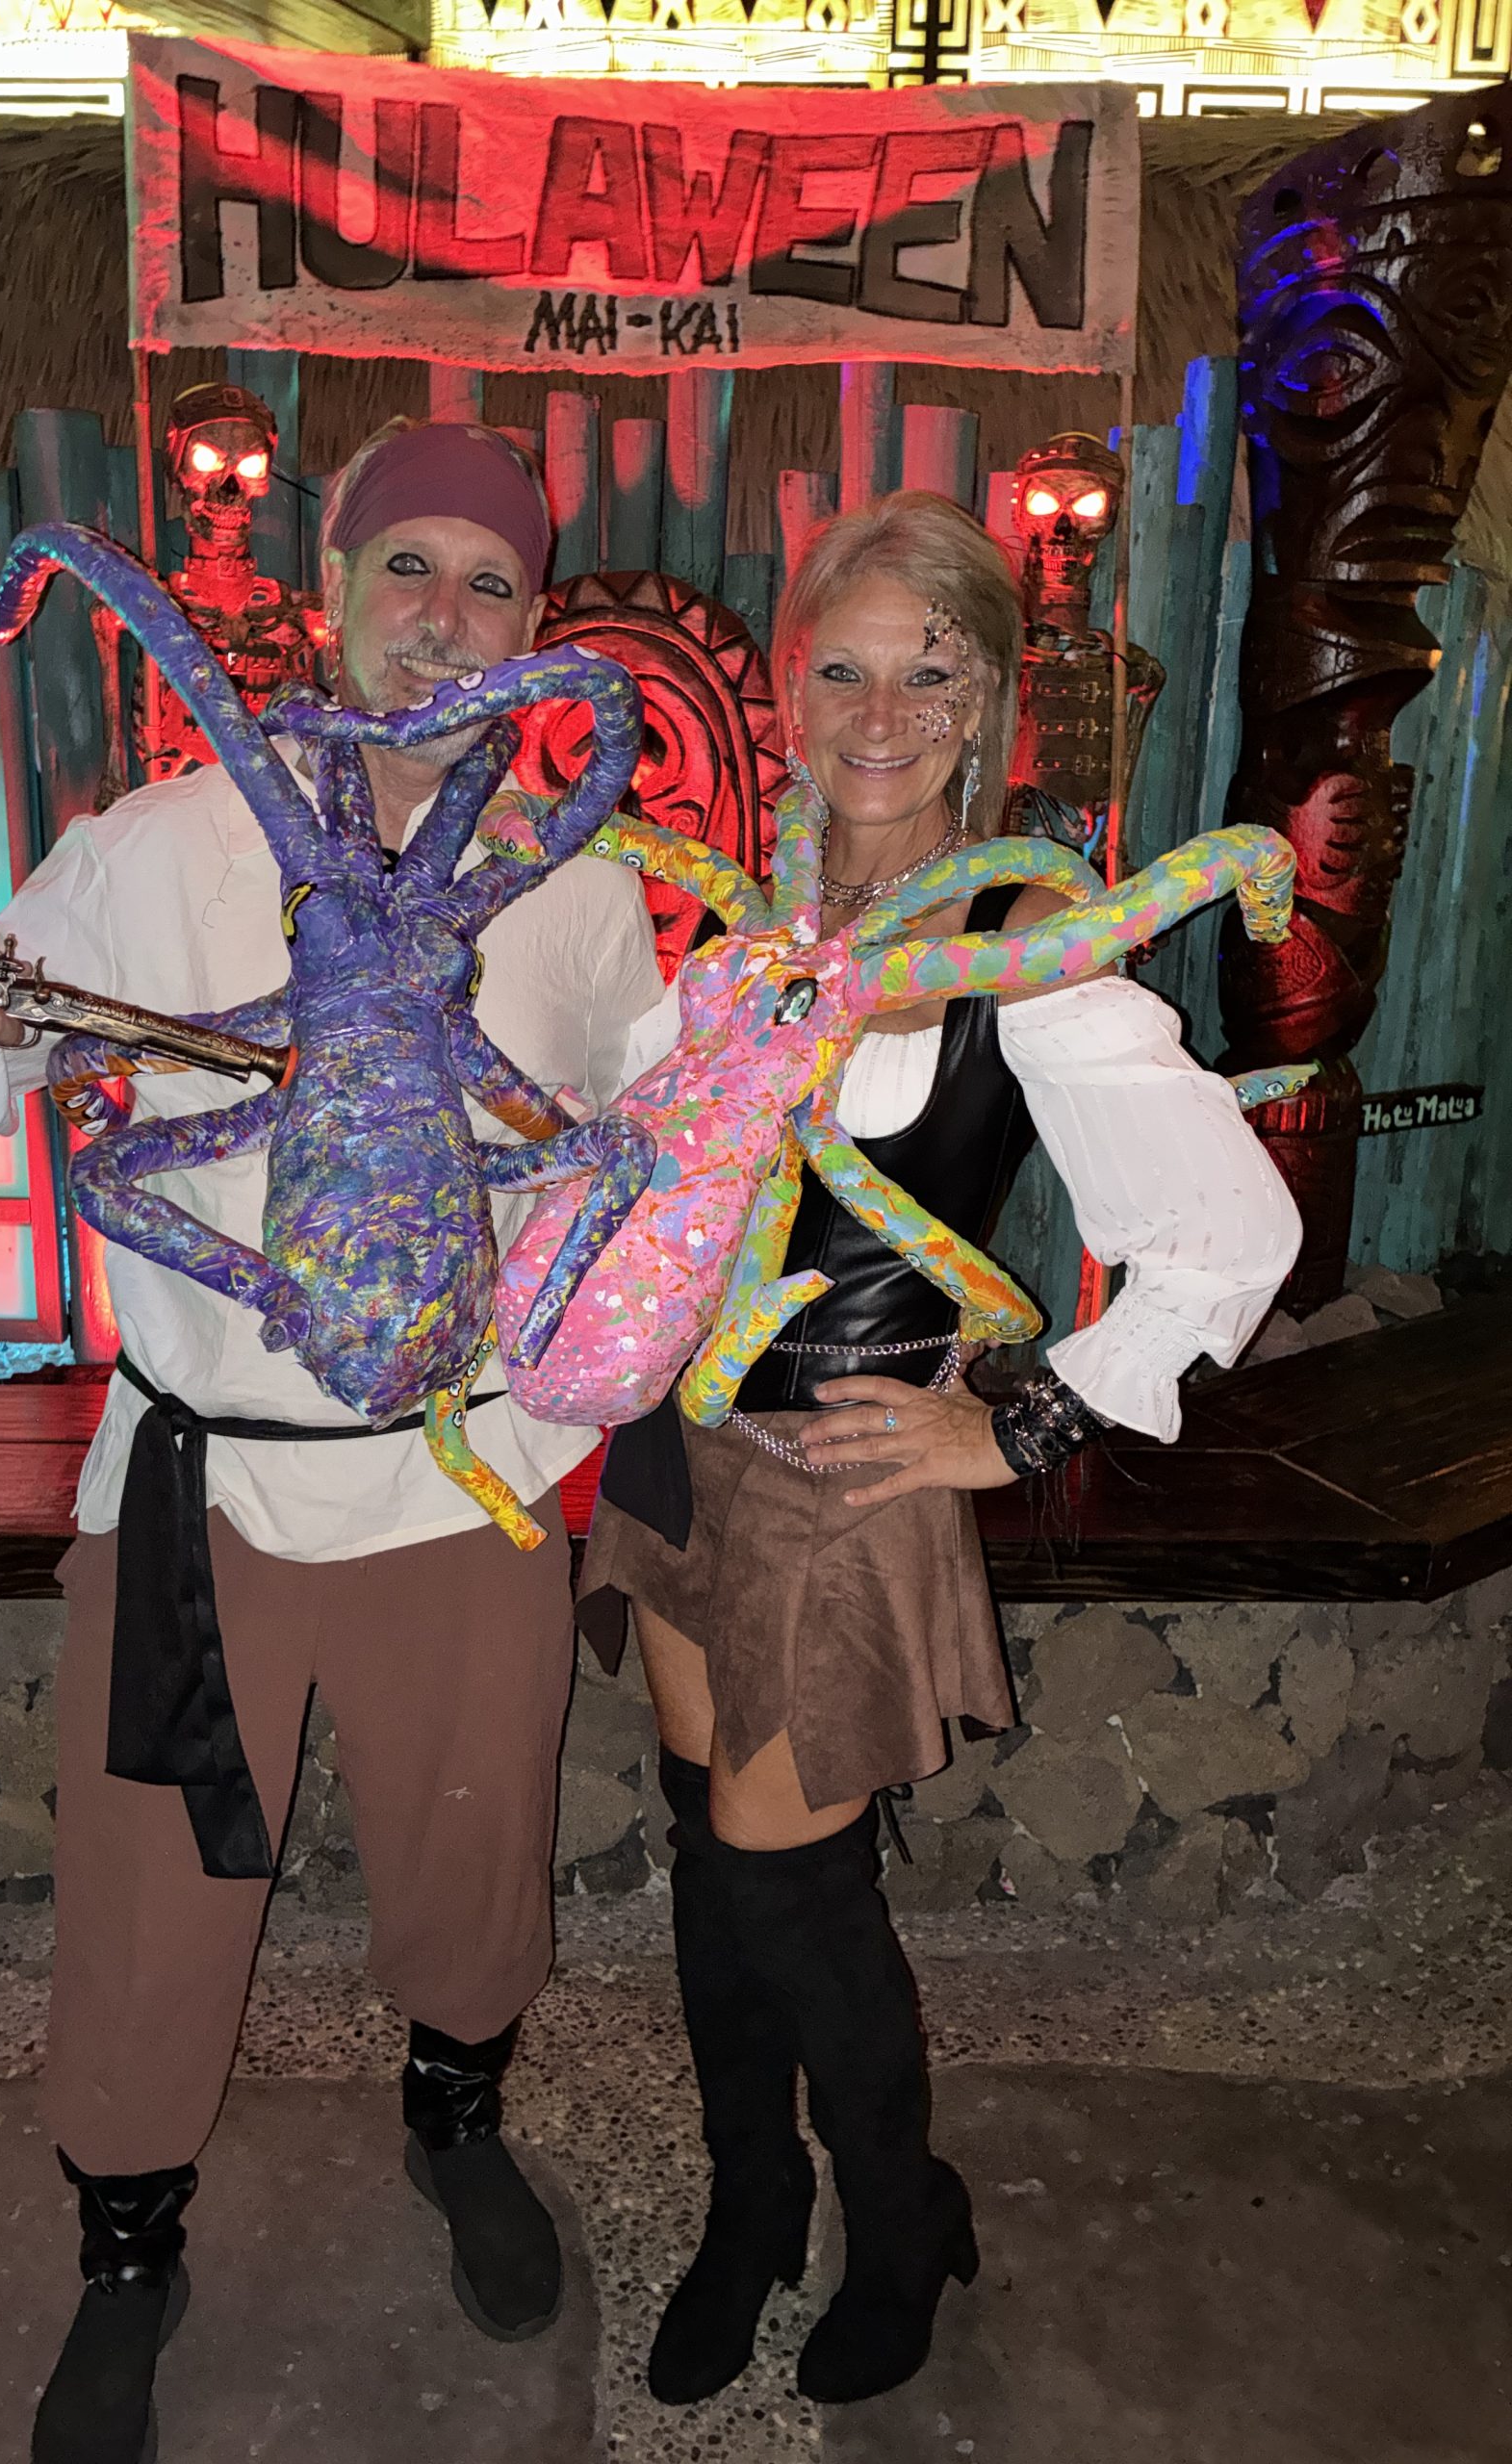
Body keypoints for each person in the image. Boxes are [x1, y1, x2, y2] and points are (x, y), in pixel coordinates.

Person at [0, 417, 663, 2464]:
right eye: (405, 565)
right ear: (331, 595)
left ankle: (459, 2120)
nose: (443, 612)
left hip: (466, 1464)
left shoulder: (584, 891)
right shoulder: (153, 851)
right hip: (204, 1479)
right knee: (150, 1887)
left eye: (491, 582)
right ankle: (125, 2252)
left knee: (473, 1843)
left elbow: (638, 1149)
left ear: (535, 628)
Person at [578, 492, 1301, 2410]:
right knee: (710, 1850)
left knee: (787, 1881)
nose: (881, 711)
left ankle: (902, 2223)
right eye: (845, 667)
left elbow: (1231, 1229)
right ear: (788, 687)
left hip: (843, 1466)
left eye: (931, 671)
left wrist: (1024, 1418)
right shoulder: (735, 923)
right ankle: (751, 2208)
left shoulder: (1024, 935)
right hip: (671, 1448)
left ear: (980, 703)